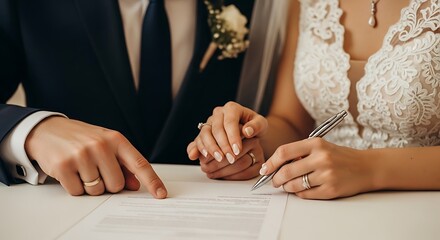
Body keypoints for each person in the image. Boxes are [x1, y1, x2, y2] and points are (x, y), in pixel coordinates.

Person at [187, 0, 440, 199]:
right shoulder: (306, 2)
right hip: (320, 206)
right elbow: (292, 123)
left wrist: (368, 169)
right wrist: (249, 139)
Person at [0, 0, 255, 197]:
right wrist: (33, 132)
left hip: (205, 209)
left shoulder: (249, 7)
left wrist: (244, 142)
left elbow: (270, 114)